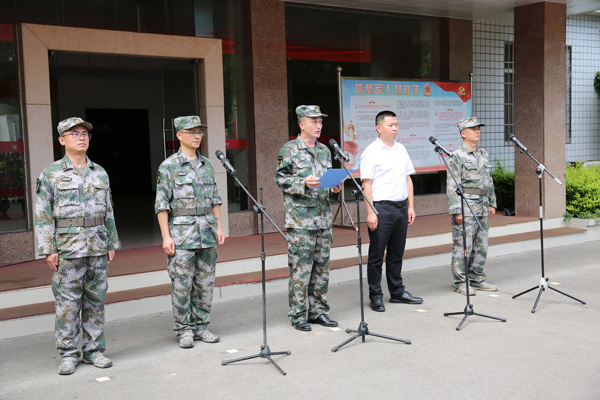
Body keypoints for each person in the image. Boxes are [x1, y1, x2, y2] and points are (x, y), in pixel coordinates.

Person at [35, 117, 120, 375]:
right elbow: (42, 214)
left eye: (84, 133)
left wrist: (111, 241)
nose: (81, 137)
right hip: (68, 249)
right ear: (62, 140)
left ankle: (94, 351)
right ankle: (69, 354)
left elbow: (108, 210)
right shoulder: (51, 173)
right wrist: (49, 248)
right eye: (74, 134)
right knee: (68, 304)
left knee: (96, 301)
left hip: (96, 247)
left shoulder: (100, 172)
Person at [155, 115, 225, 349]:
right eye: (192, 132)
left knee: (205, 283)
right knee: (182, 284)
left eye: (199, 132)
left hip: (206, 233)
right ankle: (184, 329)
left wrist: (219, 227)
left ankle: (202, 326)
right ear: (179, 136)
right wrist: (166, 236)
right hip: (182, 236)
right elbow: (162, 204)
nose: (197, 136)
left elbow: (215, 198)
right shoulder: (169, 166)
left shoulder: (207, 164)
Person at [275, 105, 343, 332]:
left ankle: (318, 311)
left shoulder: (324, 150)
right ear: (302, 124)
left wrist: (335, 188)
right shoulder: (290, 149)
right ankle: (298, 315)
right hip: (301, 221)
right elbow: (280, 179)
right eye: (314, 121)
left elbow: (327, 181)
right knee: (301, 270)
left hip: (323, 218)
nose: (319, 125)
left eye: (320, 121)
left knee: (322, 269)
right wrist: (302, 183)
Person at [361, 110, 422, 313]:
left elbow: (408, 179)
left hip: (400, 208)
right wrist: (371, 212)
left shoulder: (401, 149)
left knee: (396, 253)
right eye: (390, 125)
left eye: (396, 124)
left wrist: (410, 206)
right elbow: (366, 185)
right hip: (381, 208)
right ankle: (375, 296)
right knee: (377, 255)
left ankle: (397, 292)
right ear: (379, 128)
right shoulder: (371, 151)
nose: (395, 128)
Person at [447, 117, 498, 295]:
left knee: (481, 243)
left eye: (478, 128)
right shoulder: (456, 156)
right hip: (467, 205)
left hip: (483, 205)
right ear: (463, 133)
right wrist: (457, 211)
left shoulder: (483, 154)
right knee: (463, 244)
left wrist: (492, 202)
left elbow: (489, 180)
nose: (477, 131)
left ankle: (477, 278)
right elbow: (453, 185)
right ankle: (460, 281)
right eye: (473, 129)